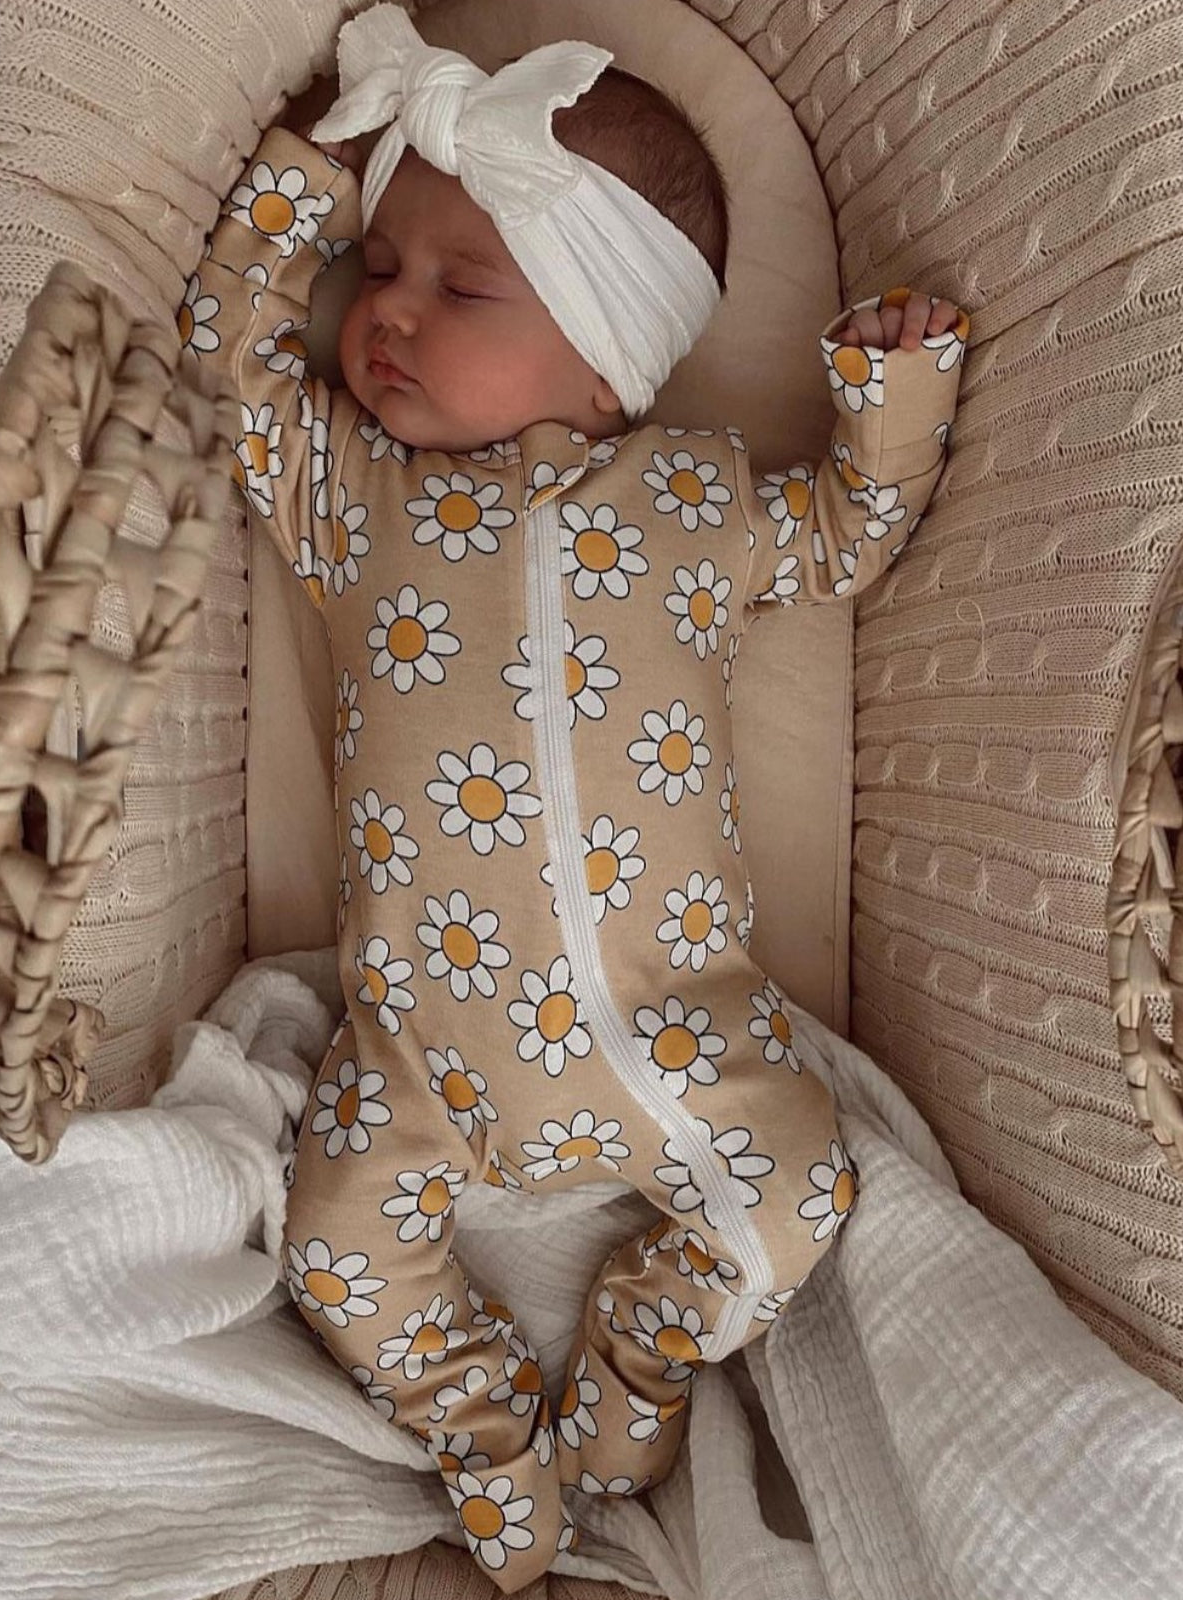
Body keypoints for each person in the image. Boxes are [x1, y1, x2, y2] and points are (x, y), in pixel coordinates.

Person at [179, 4, 968, 1589]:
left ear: (609, 362)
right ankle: (479, 1425)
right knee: (331, 1247)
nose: (384, 312)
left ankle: (641, 1359)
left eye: (459, 285)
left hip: (683, 1041)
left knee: (799, 1198)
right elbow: (230, 366)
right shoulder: (353, 495)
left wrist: (893, 404)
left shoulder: (684, 497)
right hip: (418, 1052)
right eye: (380, 269)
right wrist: (310, 187)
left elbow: (839, 540)